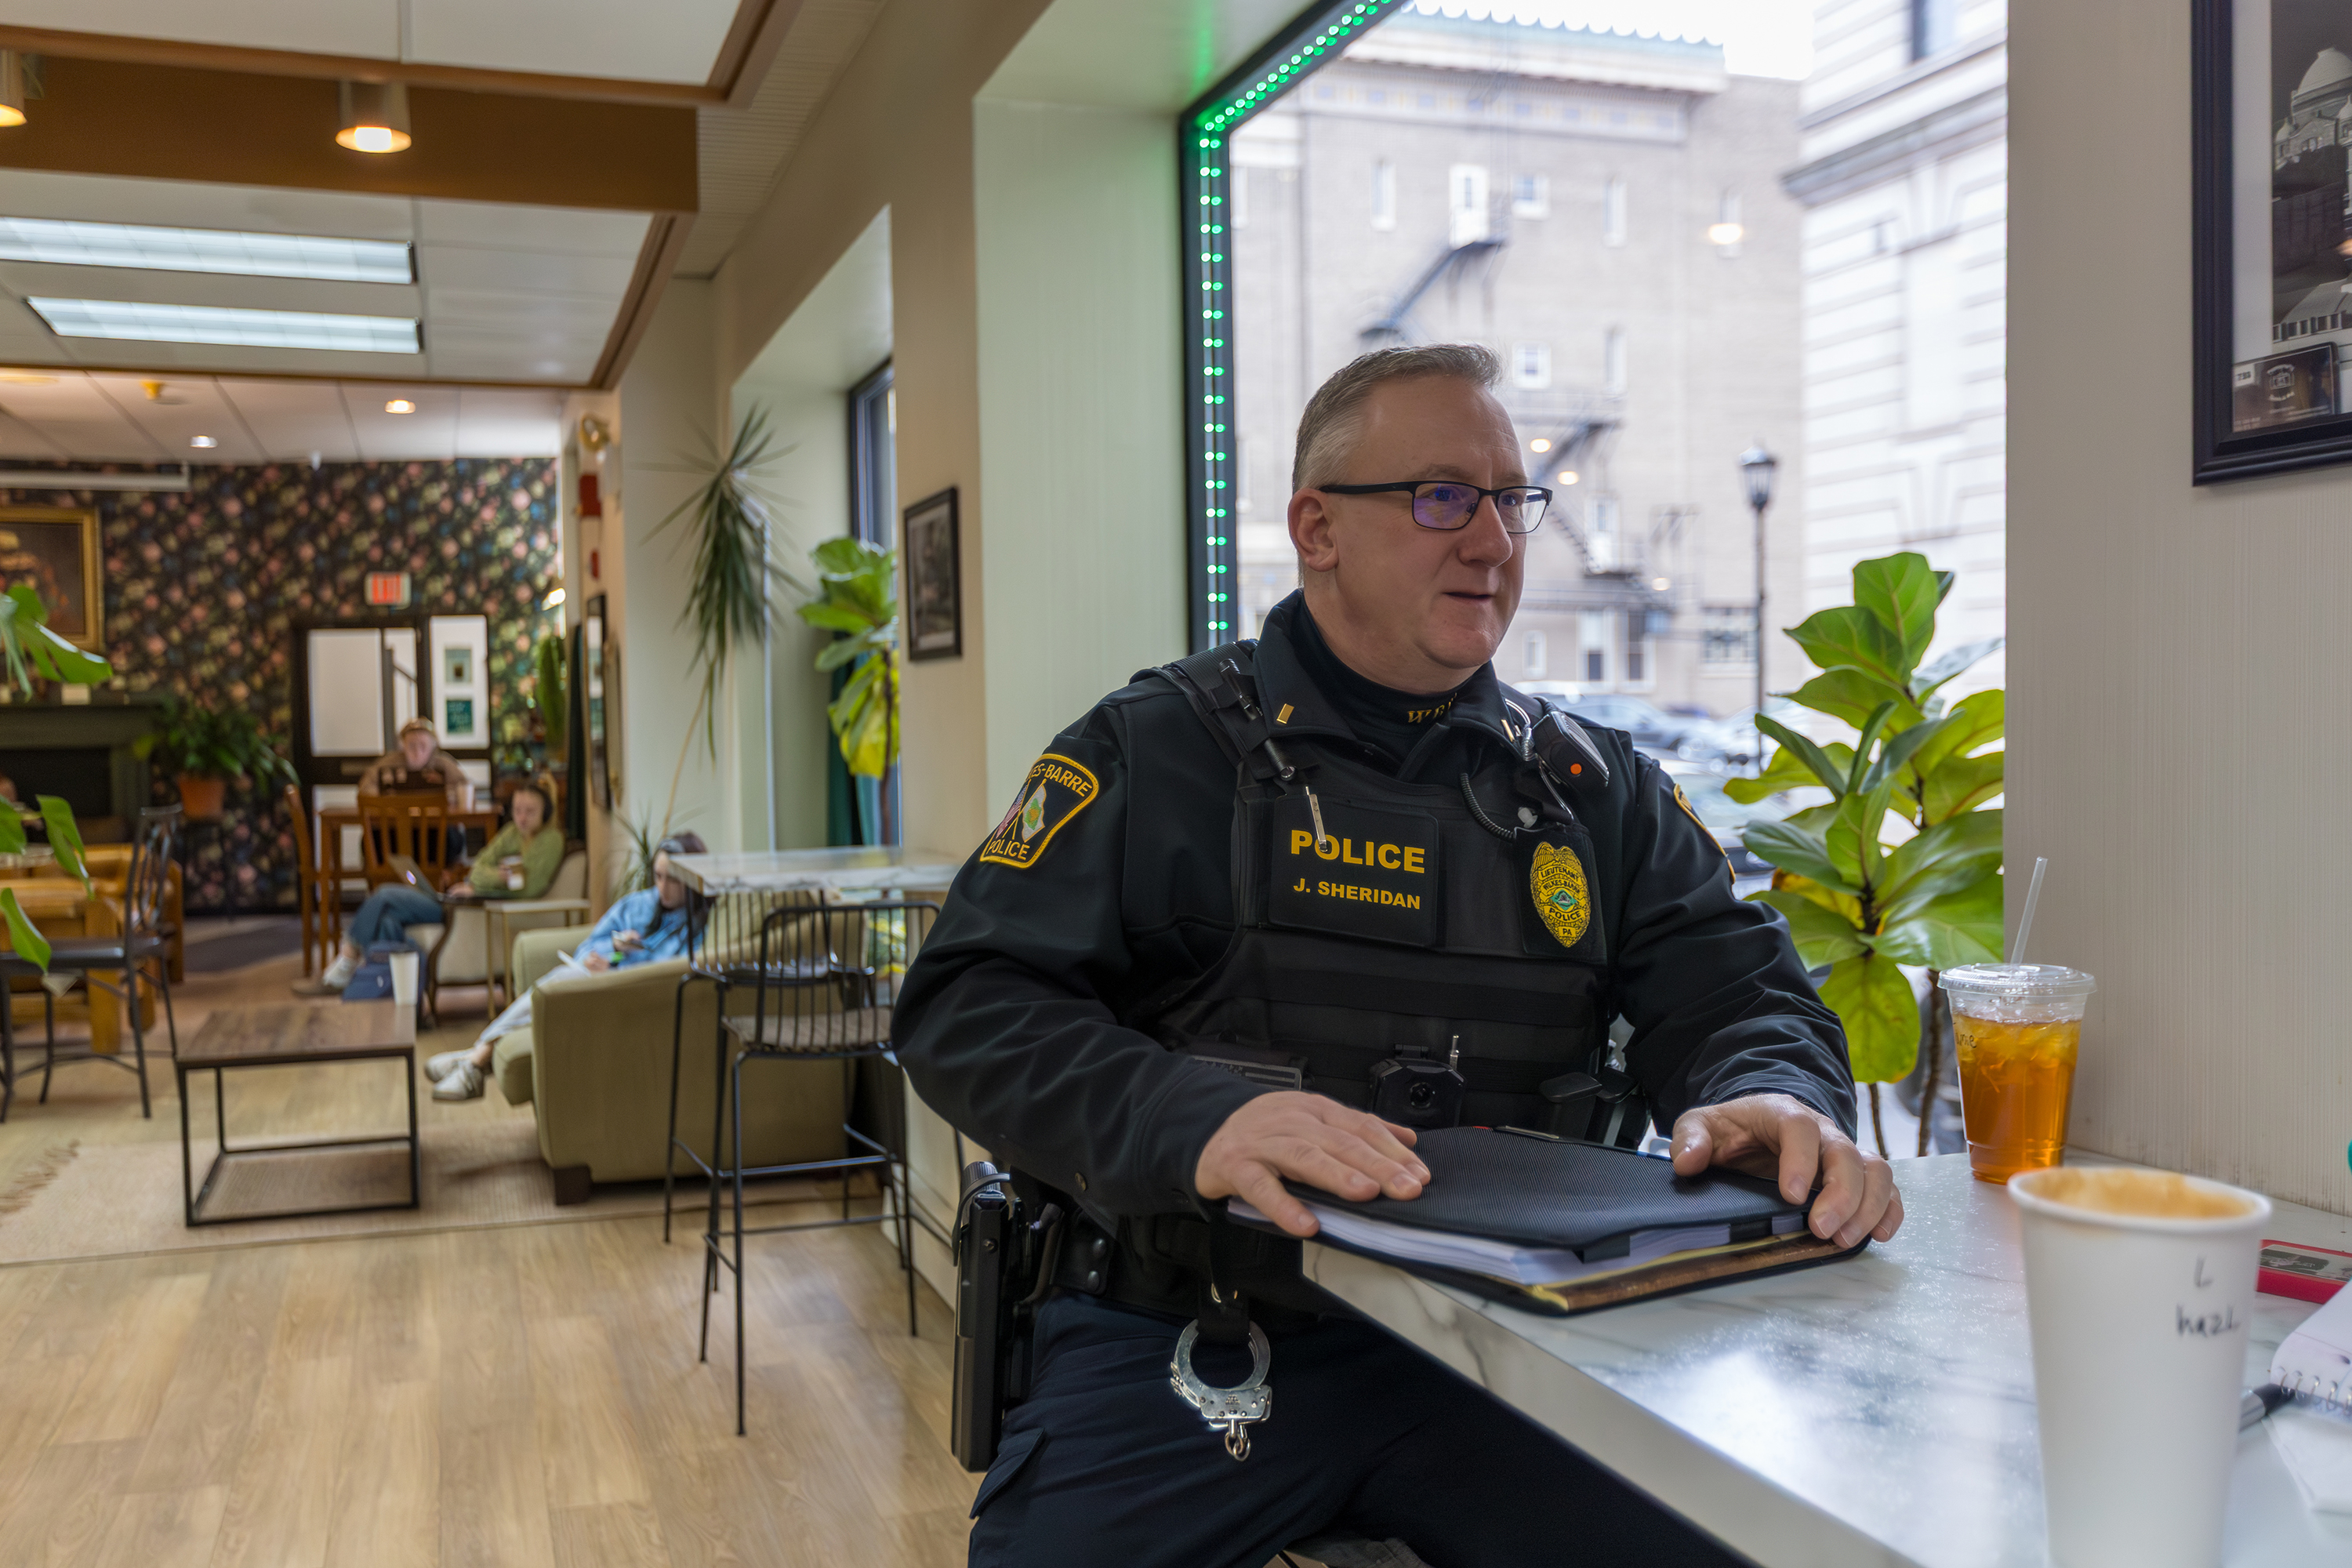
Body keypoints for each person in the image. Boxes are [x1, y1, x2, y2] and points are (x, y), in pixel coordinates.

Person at [894, 343, 1904, 1568]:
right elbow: (965, 1004)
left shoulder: (1599, 791)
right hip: (1194, 1338)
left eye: (1512, 499)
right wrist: (1185, 1115)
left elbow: (1741, 993)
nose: (1493, 541)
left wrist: (1771, 1091)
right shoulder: (1150, 753)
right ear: (1316, 528)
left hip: (1527, 1354)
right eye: (1440, 497)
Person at [425, 833, 707, 1101]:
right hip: (594, 977)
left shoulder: (694, 928)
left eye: (672, 879)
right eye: (658, 876)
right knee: (563, 981)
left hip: (628, 993)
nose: (663, 887)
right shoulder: (639, 904)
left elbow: (667, 973)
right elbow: (592, 945)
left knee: (561, 982)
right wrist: (611, 955)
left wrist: (615, 970)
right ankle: (474, 1063)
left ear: (691, 878)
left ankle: (471, 1060)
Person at [294, 779, 561, 997]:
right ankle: (396, 999)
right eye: (517, 810)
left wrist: (488, 884)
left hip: (470, 908)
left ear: (546, 812)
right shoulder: (513, 833)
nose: (522, 818)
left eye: (531, 812)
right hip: (462, 898)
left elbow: (528, 886)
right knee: (389, 921)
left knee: (384, 895)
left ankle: (348, 961)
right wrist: (496, 878)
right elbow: (479, 867)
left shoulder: (549, 841)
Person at [360, 717, 474, 808]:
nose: (417, 752)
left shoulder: (443, 764)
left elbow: (466, 791)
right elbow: (365, 789)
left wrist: (445, 796)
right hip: (396, 825)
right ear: (403, 745)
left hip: (436, 826)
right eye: (412, 746)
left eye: (423, 746)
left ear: (433, 746)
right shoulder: (390, 763)